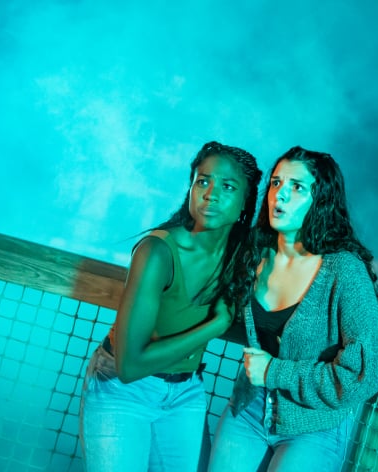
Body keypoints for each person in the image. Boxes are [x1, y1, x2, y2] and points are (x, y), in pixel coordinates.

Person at [79, 141, 261, 471]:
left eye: (228, 186)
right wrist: (214, 326)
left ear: (246, 202)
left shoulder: (242, 255)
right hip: (123, 392)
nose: (211, 194)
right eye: (203, 181)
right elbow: (130, 366)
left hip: (185, 394)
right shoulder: (157, 252)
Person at [208, 146, 378, 472]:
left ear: (320, 200)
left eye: (297, 187)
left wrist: (275, 372)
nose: (281, 195)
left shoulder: (342, 271)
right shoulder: (255, 253)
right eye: (276, 183)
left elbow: (368, 371)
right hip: (248, 410)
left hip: (314, 425)